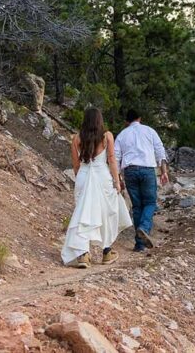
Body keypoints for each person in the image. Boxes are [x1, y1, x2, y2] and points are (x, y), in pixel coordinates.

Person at [61, 107, 132, 268]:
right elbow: (112, 160)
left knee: (83, 214)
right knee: (107, 213)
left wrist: (82, 180)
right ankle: (106, 252)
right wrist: (117, 181)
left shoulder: (77, 138)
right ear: (100, 120)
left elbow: (76, 166)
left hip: (84, 176)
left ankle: (83, 254)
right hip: (102, 177)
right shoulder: (107, 136)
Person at [115, 108, 169, 252]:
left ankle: (139, 244)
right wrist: (164, 171)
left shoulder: (122, 135)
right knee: (150, 202)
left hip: (130, 171)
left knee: (137, 206)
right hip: (147, 169)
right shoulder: (150, 131)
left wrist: (118, 178)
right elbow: (160, 151)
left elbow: (116, 157)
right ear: (140, 118)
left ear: (127, 121)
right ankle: (144, 228)